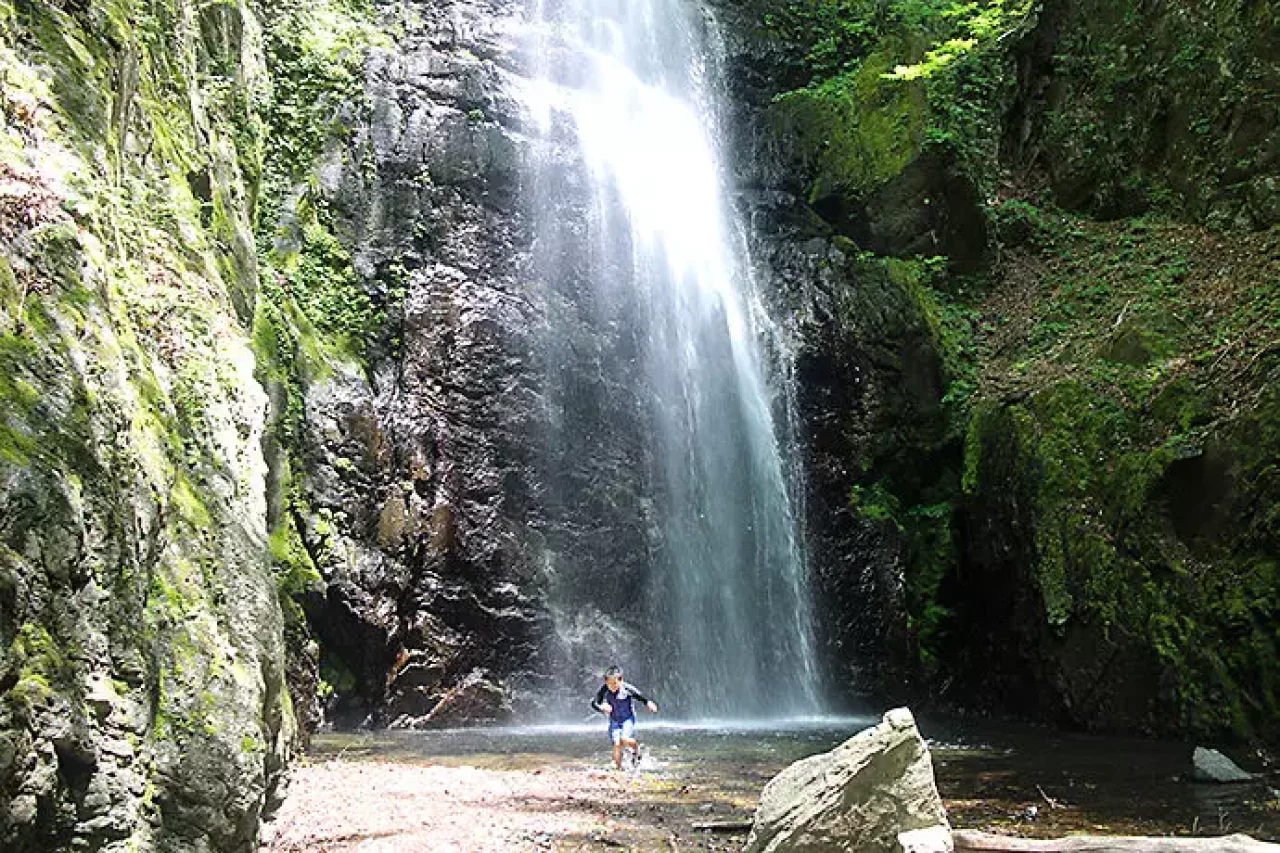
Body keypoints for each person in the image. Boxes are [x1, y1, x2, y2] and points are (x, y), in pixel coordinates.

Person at [590, 665, 658, 770]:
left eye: (615, 683)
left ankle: (636, 750)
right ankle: (619, 768)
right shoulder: (604, 689)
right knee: (617, 744)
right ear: (606, 682)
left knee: (624, 739)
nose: (612, 687)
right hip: (614, 720)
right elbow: (594, 702)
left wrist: (648, 703)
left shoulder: (627, 688)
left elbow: (640, 696)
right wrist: (601, 707)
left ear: (621, 680)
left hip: (628, 719)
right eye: (609, 684)